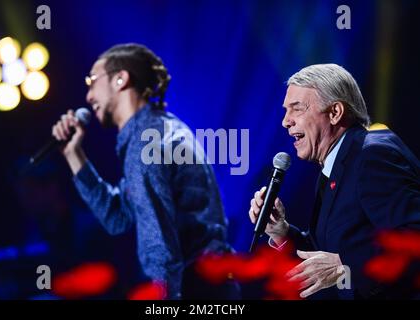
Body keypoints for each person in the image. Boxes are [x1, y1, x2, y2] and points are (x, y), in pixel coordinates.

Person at [51, 43, 239, 299]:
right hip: (210, 287)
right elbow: (118, 218)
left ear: (121, 79)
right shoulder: (158, 130)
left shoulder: (146, 143)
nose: (88, 96)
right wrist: (74, 154)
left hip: (194, 290)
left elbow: (159, 246)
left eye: (92, 81)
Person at [249, 64, 420, 299]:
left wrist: (344, 267)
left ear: (335, 112)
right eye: (286, 111)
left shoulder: (371, 156)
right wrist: (281, 231)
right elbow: (323, 256)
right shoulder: (336, 165)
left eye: (296, 109)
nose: (285, 121)